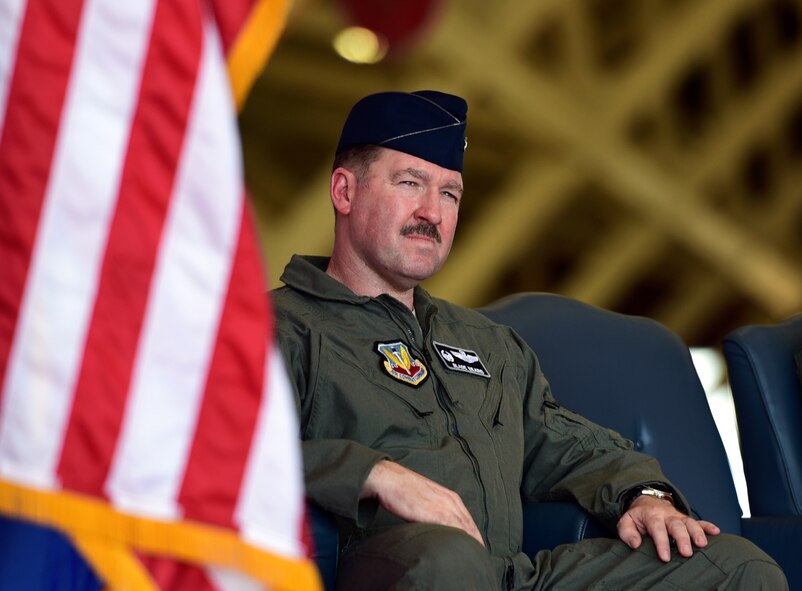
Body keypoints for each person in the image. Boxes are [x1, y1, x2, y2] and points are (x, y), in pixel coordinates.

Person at [272, 90, 787, 590]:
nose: (433, 211)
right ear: (345, 192)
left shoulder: (488, 344)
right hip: (386, 571)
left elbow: (569, 445)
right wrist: (374, 473)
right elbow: (222, 454)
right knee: (448, 562)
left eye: (449, 193)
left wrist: (643, 494)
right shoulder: (279, 327)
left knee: (734, 569)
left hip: (510, 576)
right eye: (411, 183)